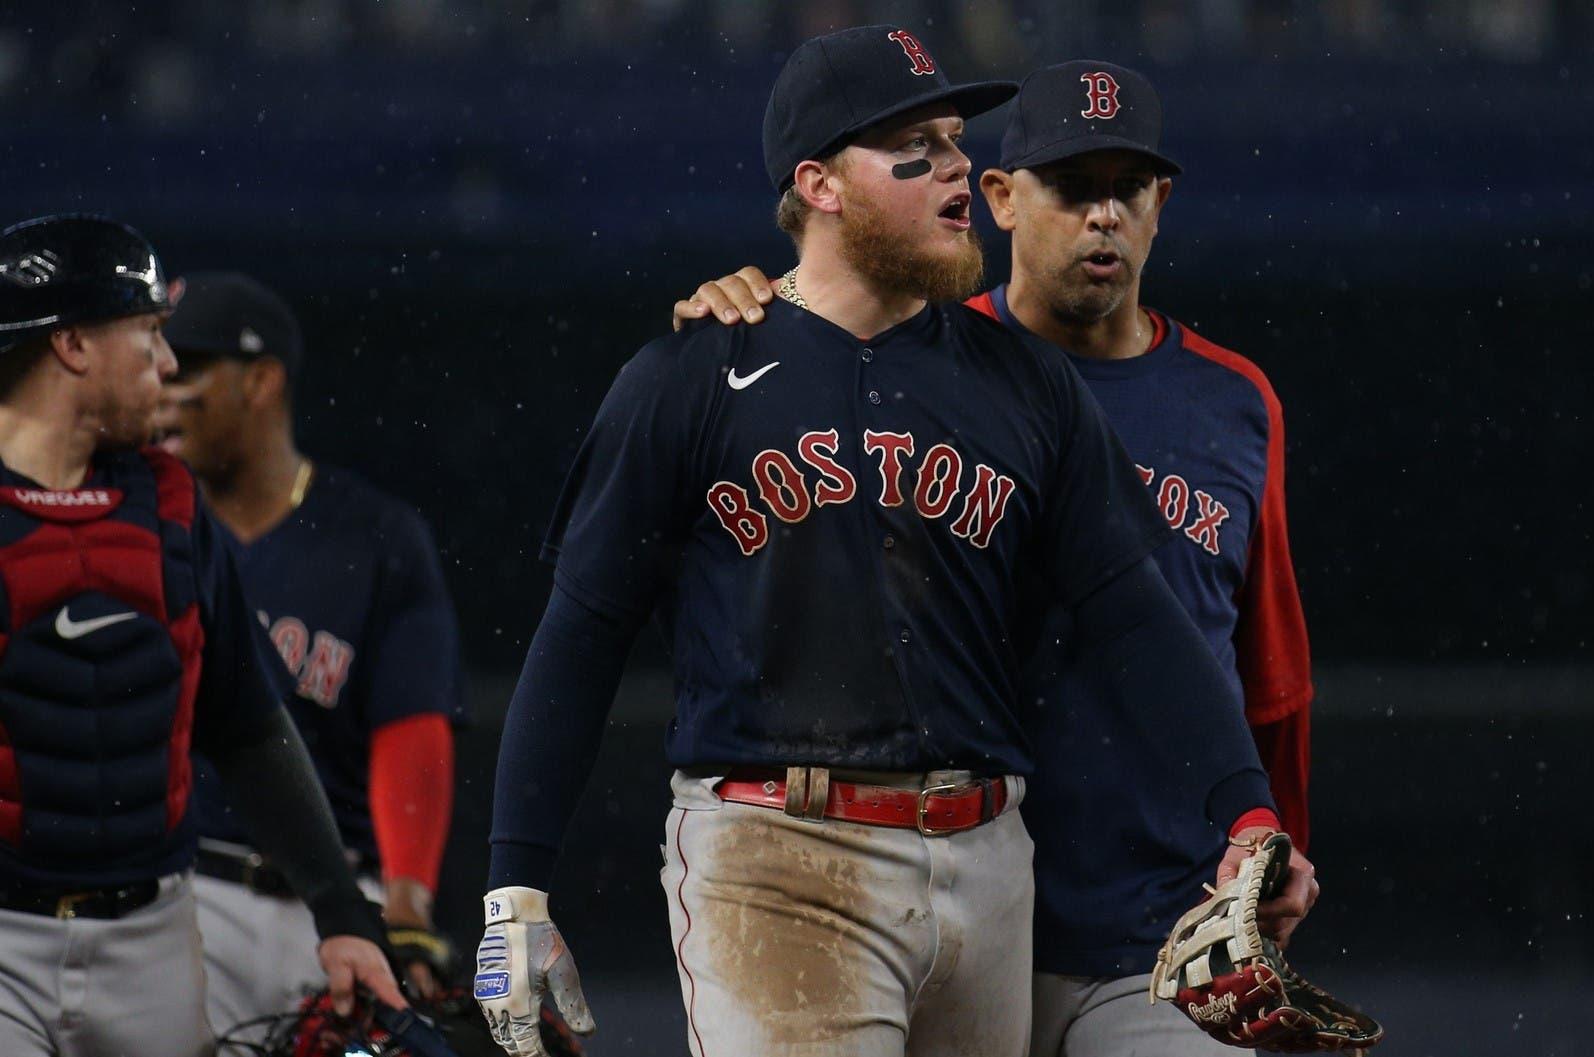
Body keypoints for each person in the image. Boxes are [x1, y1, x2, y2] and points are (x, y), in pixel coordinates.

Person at [476, 26, 1304, 1057]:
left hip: (990, 858)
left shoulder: (1022, 381)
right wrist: (515, 885)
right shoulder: (689, 376)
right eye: (917, 143)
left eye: (958, 137)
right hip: (778, 851)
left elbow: (1139, 615)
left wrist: (1248, 810)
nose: (960, 163)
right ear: (820, 184)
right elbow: (581, 636)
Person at [0, 214, 402, 1057]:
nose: (170, 363)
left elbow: (249, 725)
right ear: (71, 344)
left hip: (153, 941)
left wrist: (341, 912)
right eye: (148, 333)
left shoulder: (172, 504)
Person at [154, 272, 464, 1033]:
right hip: (187, 888)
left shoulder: (374, 538)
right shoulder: (144, 525)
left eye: (189, 366)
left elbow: (411, 726)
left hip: (335, 906)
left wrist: (406, 900)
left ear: (261, 380)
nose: (165, 383)